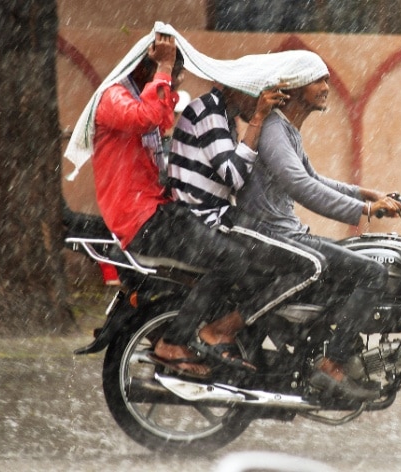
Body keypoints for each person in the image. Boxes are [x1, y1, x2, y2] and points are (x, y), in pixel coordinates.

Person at [78, 30, 322, 378]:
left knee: (250, 260)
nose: (176, 83)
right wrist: (164, 64)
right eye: (174, 74)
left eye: (176, 75)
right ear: (143, 68)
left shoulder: (207, 112)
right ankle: (176, 341)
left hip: (158, 210)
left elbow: (159, 119)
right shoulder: (113, 98)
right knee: (234, 257)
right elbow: (149, 116)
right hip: (144, 218)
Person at [237, 52, 401, 401]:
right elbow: (301, 186)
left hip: (282, 232)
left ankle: (314, 350)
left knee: (348, 269)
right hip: (272, 234)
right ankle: (331, 364)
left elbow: (313, 178)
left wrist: (368, 192)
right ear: (296, 87)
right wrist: (365, 209)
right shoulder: (273, 129)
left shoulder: (287, 131)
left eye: (327, 80)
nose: (326, 87)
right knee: (372, 274)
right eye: (318, 80)